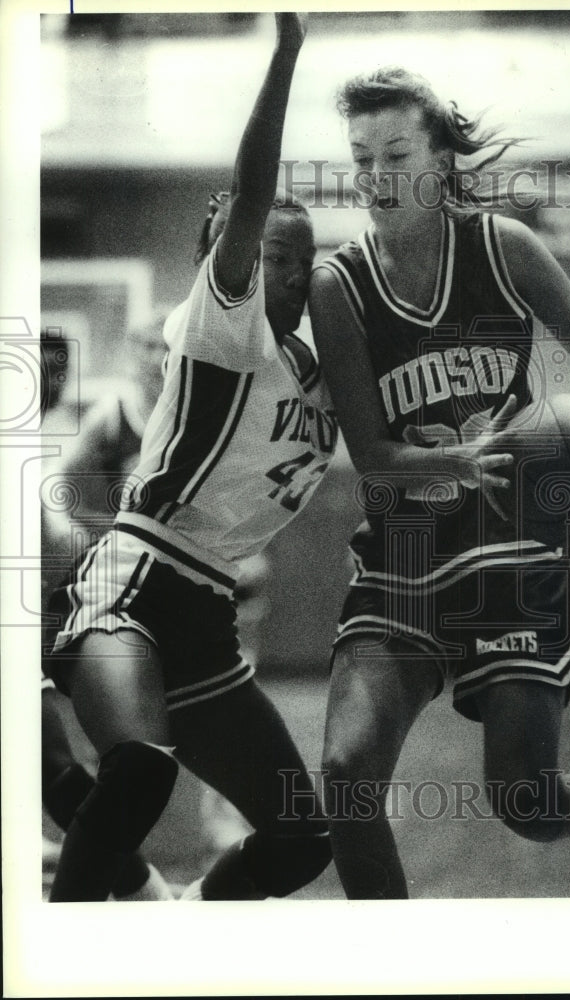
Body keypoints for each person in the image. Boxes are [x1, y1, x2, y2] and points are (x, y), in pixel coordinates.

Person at [309, 66, 570, 899]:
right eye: (361, 158)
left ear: (439, 161)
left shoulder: (503, 247)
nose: (376, 175)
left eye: (396, 152)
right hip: (400, 560)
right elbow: (369, 454)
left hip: (509, 553)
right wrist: (454, 462)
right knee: (345, 774)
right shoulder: (338, 286)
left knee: (526, 800)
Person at [44, 12, 335, 902]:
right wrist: (285, 55)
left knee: (300, 839)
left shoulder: (323, 379)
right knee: (138, 771)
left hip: (210, 605)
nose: (282, 270)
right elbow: (250, 194)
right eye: (266, 254)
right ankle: (61, 951)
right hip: (135, 578)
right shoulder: (216, 329)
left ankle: (182, 923)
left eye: (301, 260)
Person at [40, 330, 172, 901]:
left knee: (70, 766)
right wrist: (100, 542)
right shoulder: (111, 414)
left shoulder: (190, 408)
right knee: (81, 763)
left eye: (57, 369)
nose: (52, 380)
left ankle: (142, 880)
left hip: (156, 582)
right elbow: (61, 496)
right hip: (105, 578)